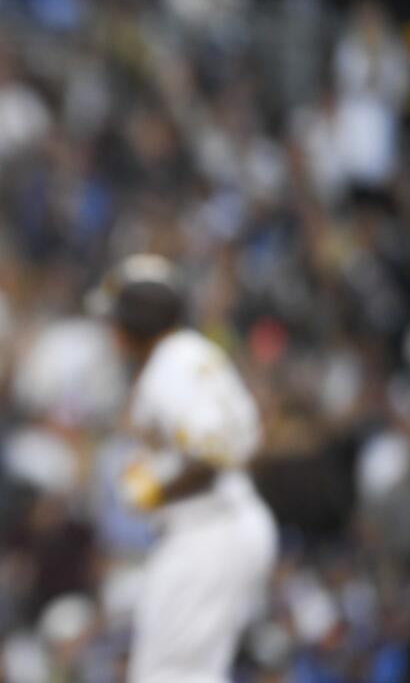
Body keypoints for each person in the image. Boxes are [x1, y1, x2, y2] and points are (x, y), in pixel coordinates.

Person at [90, 255, 278, 683]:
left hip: (207, 531)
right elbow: (244, 438)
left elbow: (216, 450)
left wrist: (156, 490)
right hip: (223, 524)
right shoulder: (190, 354)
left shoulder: (170, 365)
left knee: (172, 674)